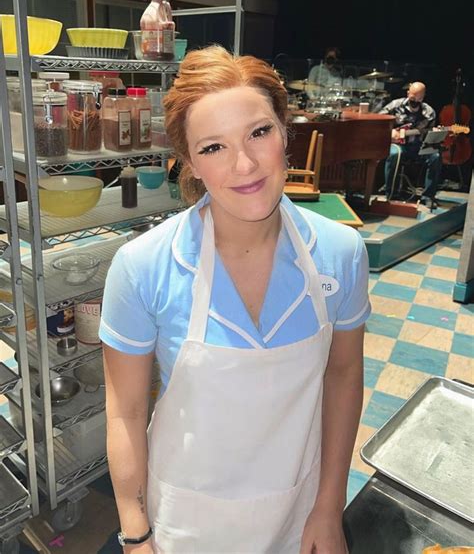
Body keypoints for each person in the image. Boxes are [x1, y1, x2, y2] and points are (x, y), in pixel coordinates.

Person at [100, 45, 370, 554]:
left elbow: (343, 377)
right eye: (213, 148)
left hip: (299, 512)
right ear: (189, 164)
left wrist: (329, 509)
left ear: (286, 132)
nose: (244, 164)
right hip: (185, 523)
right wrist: (135, 533)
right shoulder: (144, 267)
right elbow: (127, 412)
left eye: (259, 133)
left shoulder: (341, 253)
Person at [380, 81, 443, 207]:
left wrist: (435, 134)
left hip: (418, 145)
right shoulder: (395, 105)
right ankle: (391, 194)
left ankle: (428, 196)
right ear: (408, 93)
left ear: (423, 97)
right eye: (412, 97)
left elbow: (429, 135)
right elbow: (378, 120)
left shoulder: (429, 112)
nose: (414, 101)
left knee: (435, 157)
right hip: (398, 144)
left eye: (418, 98)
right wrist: (390, 132)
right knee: (395, 154)